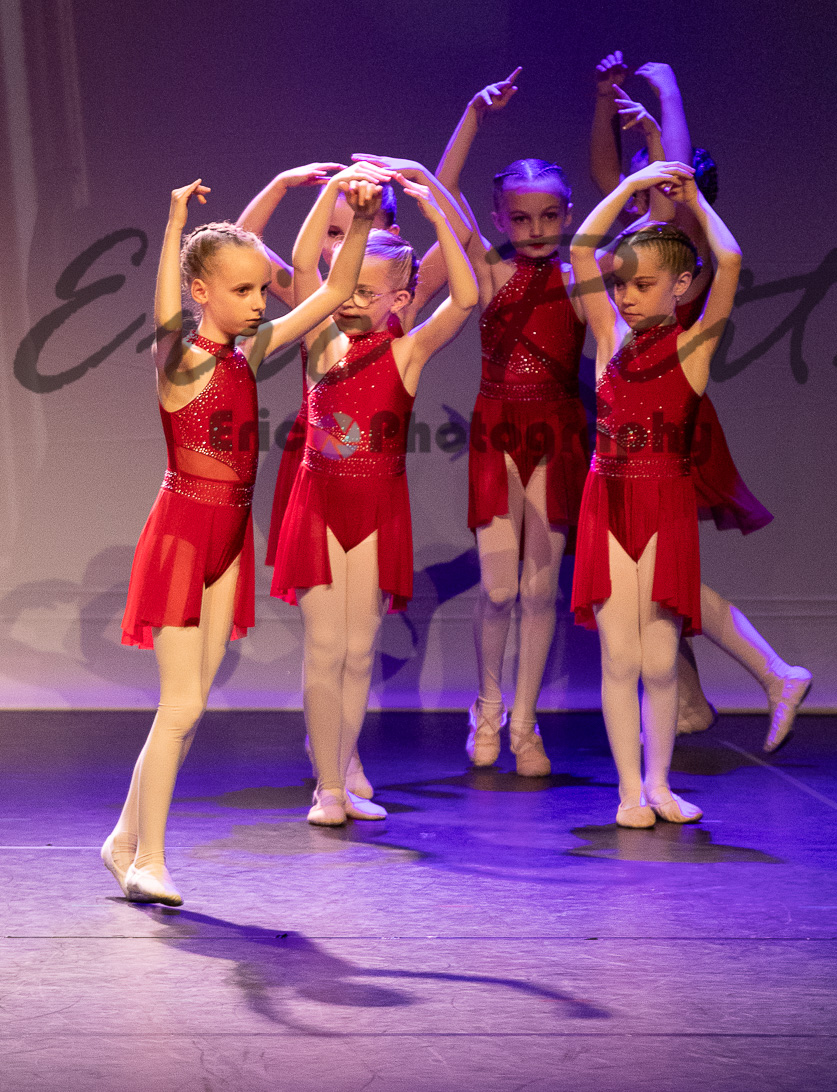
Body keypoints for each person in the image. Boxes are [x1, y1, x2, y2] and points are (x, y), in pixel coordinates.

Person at [101, 166, 387, 905]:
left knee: (190, 708)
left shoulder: (247, 354)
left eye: (262, 289)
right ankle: (148, 859)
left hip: (228, 543)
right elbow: (165, 314)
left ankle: (123, 840)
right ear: (202, 292)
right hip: (181, 540)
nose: (261, 302)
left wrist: (361, 221)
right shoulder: (179, 360)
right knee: (181, 708)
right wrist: (174, 226)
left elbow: (332, 290)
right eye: (244, 290)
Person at [589, 57, 811, 750]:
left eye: (656, 180)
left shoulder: (674, 248)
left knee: (663, 570)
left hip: (669, 412)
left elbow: (673, 187)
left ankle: (770, 672)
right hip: (625, 408)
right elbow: (606, 183)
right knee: (644, 577)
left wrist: (666, 96)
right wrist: (606, 101)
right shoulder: (632, 252)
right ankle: (687, 703)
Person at [270, 174, 478, 827]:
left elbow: (467, 297)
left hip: (378, 512)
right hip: (319, 505)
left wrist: (435, 208)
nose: (351, 300)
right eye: (346, 287)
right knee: (324, 647)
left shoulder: (408, 353)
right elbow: (303, 262)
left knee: (360, 650)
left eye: (367, 291)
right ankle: (328, 787)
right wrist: (341, 201)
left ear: (399, 300)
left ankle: (344, 772)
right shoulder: (321, 341)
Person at [570, 160, 742, 826]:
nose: (628, 296)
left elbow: (730, 260)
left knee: (663, 660)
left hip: (665, 505)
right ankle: (628, 791)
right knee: (620, 656)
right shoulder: (609, 336)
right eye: (622, 284)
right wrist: (625, 190)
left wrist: (695, 200)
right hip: (608, 503)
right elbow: (582, 248)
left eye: (643, 285)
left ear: (680, 286)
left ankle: (661, 784)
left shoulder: (694, 348)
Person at [435, 71, 590, 776]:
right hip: (498, 429)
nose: (536, 231)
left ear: (567, 214)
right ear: (500, 219)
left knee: (538, 590)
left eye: (550, 217)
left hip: (557, 431)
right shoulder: (491, 272)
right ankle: (488, 704)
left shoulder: (583, 276)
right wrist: (473, 113)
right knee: (498, 589)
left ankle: (525, 723)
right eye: (521, 219)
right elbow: (442, 191)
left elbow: (650, 228)